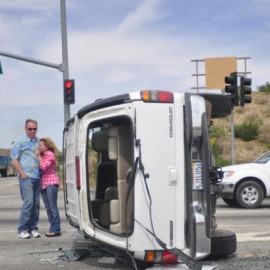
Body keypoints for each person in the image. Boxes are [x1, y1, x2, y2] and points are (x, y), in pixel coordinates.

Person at [11, 119, 41, 239]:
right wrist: (23, 174)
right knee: (28, 203)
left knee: (36, 204)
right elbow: (14, 160)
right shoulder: (19, 142)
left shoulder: (38, 141)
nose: (32, 131)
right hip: (26, 178)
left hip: (37, 177)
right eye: (30, 129)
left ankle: (33, 228)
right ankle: (22, 229)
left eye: (34, 129)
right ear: (25, 129)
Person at [35, 137, 61, 237]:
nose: (39, 147)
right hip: (44, 184)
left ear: (46, 146)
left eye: (40, 145)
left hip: (51, 183)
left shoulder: (49, 154)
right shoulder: (43, 155)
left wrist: (38, 157)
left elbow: (43, 167)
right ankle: (53, 228)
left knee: (53, 207)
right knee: (48, 208)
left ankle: (56, 229)